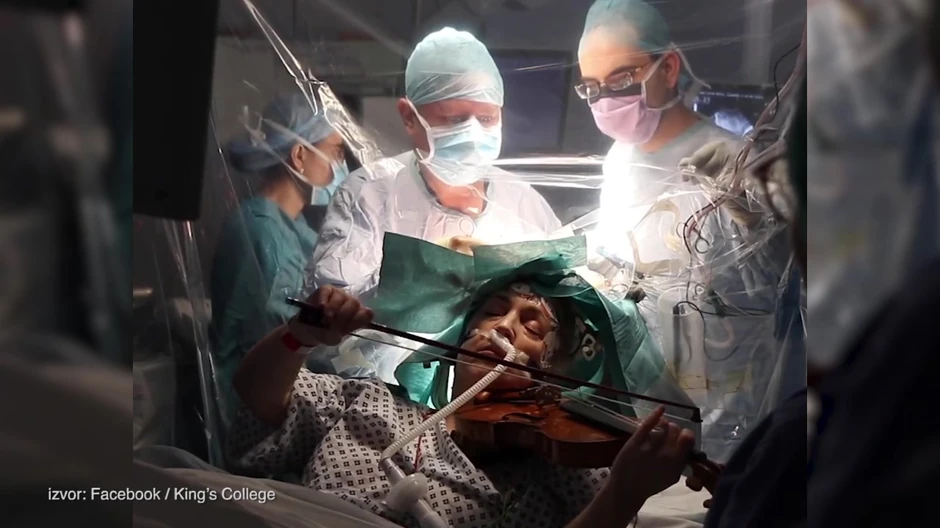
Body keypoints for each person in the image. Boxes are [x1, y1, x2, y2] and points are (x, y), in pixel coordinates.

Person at [228, 280, 696, 528]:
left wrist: (623, 495)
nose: (504, 326)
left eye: (532, 327)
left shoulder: (559, 471)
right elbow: (257, 396)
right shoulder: (369, 402)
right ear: (460, 339)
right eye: (493, 311)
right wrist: (299, 336)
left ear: (556, 371)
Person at [576, 0, 804, 462]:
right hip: (651, 406)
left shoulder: (729, 163)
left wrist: (753, 214)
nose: (606, 100)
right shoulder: (619, 161)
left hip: (731, 412)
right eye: (592, 88)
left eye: (621, 80)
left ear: (668, 68)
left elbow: (776, 291)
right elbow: (619, 265)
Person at [304, 27, 562, 309]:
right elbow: (331, 308)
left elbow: (564, 298)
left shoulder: (524, 204)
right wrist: (424, 273)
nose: (473, 135)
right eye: (456, 120)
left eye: (487, 119)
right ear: (409, 116)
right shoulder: (369, 195)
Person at [209, 92, 349, 424]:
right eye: (336, 151)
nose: (341, 165)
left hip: (287, 395)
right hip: (256, 412)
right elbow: (275, 335)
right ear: (299, 155)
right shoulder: (260, 229)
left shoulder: (294, 227)